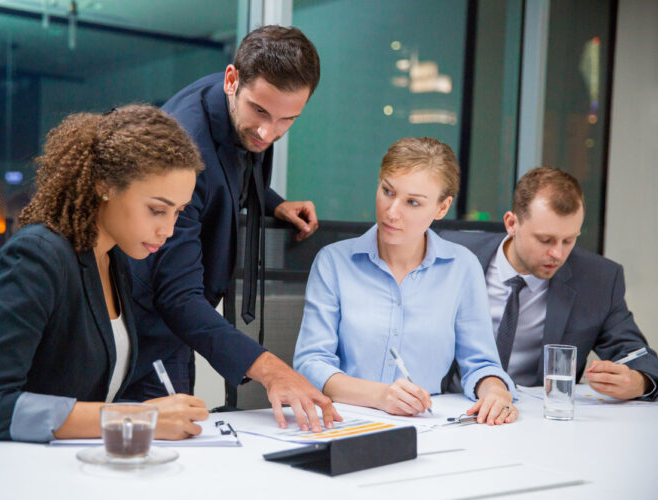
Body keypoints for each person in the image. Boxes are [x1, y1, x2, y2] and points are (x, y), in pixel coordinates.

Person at [125, 25, 339, 432]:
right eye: (260, 112)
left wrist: (271, 202)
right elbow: (176, 295)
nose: (267, 132)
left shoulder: (244, 103)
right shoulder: (185, 152)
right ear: (231, 80)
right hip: (144, 323)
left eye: (286, 120)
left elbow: (235, 167)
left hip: (177, 317)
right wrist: (272, 369)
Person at [0, 105, 210, 442]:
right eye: (156, 210)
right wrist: (136, 417)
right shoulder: (35, 258)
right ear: (104, 185)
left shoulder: (113, 260)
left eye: (177, 212)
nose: (168, 230)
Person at [293, 137, 518, 426]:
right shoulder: (334, 262)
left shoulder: (462, 267)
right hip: (345, 424)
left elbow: (481, 364)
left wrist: (495, 392)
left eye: (412, 202)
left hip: (428, 426)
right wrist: (381, 396)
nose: (392, 211)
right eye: (387, 191)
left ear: (441, 208)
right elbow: (311, 364)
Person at [441, 167, 658, 400]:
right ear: (511, 223)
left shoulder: (598, 280)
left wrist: (639, 382)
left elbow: (637, 355)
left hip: (537, 417)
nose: (557, 253)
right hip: (453, 405)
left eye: (569, 240)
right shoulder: (451, 254)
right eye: (545, 240)